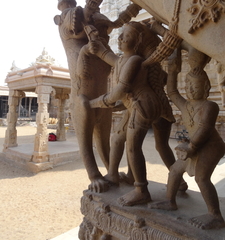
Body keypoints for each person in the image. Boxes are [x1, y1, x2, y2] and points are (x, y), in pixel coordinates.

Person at [85, 21, 180, 206]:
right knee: (124, 139)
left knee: (133, 147)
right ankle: (115, 175)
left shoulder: (135, 61)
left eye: (126, 37)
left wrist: (94, 103)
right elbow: (110, 57)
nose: (120, 39)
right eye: (120, 35)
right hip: (135, 105)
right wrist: (98, 48)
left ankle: (141, 190)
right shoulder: (123, 60)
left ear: (137, 44)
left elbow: (118, 93)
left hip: (143, 105)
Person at [150, 54, 225, 230]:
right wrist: (172, 70)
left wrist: (191, 147)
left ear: (206, 87)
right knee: (175, 170)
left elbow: (205, 129)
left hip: (211, 147)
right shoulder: (185, 105)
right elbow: (172, 92)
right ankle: (170, 200)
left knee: (201, 177)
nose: (190, 89)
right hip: (194, 146)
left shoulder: (209, 106)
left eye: (195, 85)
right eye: (188, 85)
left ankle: (215, 215)